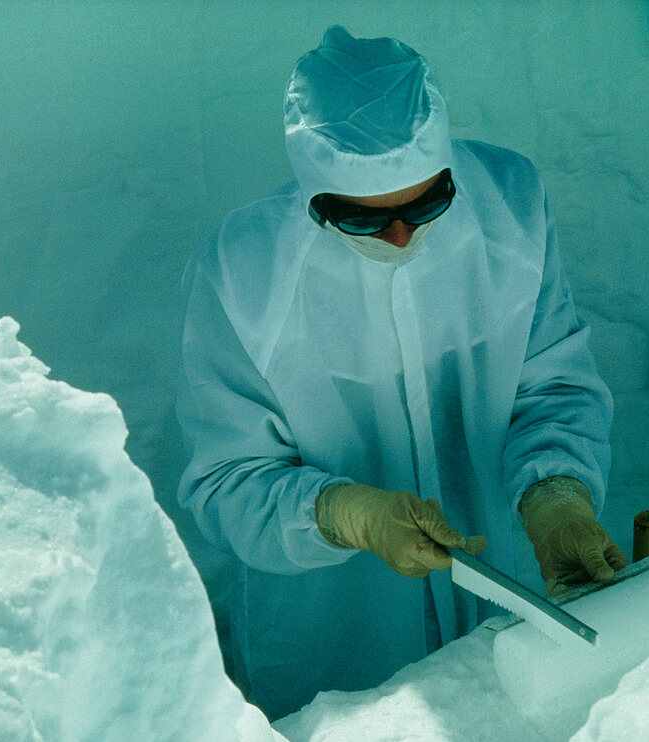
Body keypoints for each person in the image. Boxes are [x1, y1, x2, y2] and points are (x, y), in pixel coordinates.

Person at [176, 26, 625, 720]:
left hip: (501, 593)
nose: (400, 237)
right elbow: (226, 482)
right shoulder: (243, 274)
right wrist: (343, 515)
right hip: (338, 638)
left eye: (424, 205)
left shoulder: (511, 206)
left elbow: (553, 383)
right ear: (312, 192)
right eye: (360, 217)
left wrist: (557, 494)